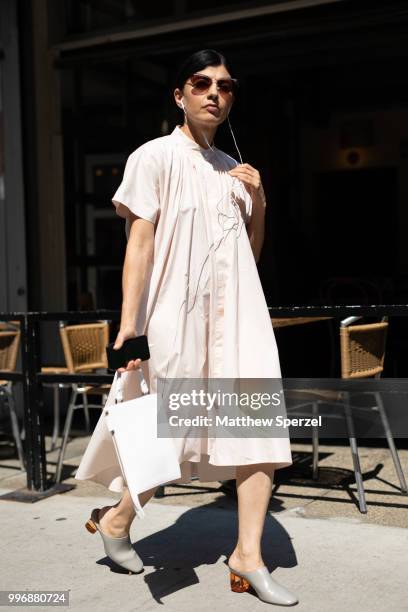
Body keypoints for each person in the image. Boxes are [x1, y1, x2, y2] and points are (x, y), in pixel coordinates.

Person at [75, 49, 298, 606]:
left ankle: (248, 557)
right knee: (165, 436)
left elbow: (250, 254)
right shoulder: (153, 157)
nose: (214, 93)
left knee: (258, 432)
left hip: (242, 320)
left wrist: (260, 202)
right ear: (180, 94)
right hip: (177, 318)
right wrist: (134, 326)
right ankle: (118, 520)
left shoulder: (232, 170)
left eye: (225, 85)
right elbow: (140, 245)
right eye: (201, 83)